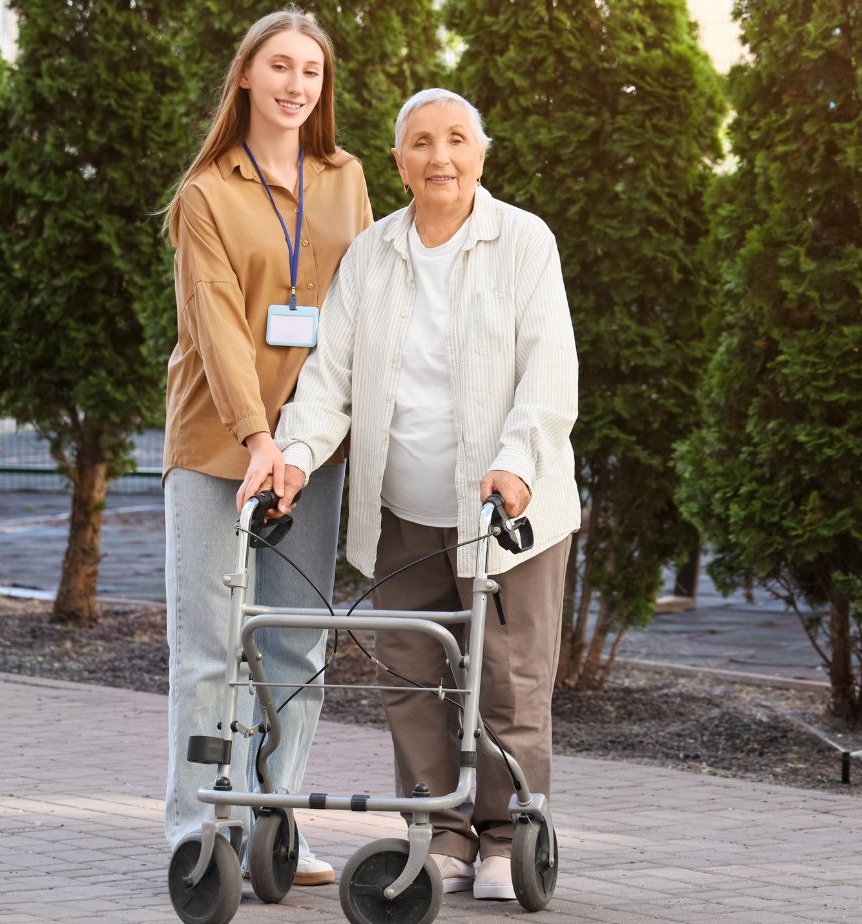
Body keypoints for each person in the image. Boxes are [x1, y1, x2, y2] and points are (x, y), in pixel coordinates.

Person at [274, 87, 579, 901]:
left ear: (482, 152)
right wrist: (296, 456)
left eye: (455, 140)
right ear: (399, 160)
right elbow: (328, 377)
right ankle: (437, 831)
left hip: (506, 513)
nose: (439, 156)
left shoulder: (523, 241)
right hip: (402, 508)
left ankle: (508, 837)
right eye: (420, 143)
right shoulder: (371, 253)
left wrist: (517, 461)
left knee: (507, 680)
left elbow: (550, 372)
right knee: (412, 674)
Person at [159, 7, 371, 886]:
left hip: (311, 451)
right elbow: (212, 323)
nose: (295, 85)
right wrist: (256, 437)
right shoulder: (206, 193)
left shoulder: (345, 176)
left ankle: (275, 828)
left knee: (295, 643)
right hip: (219, 444)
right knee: (209, 645)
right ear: (245, 75)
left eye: (311, 72)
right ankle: (198, 831)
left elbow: (361, 311)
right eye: (280, 66)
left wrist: (304, 443)